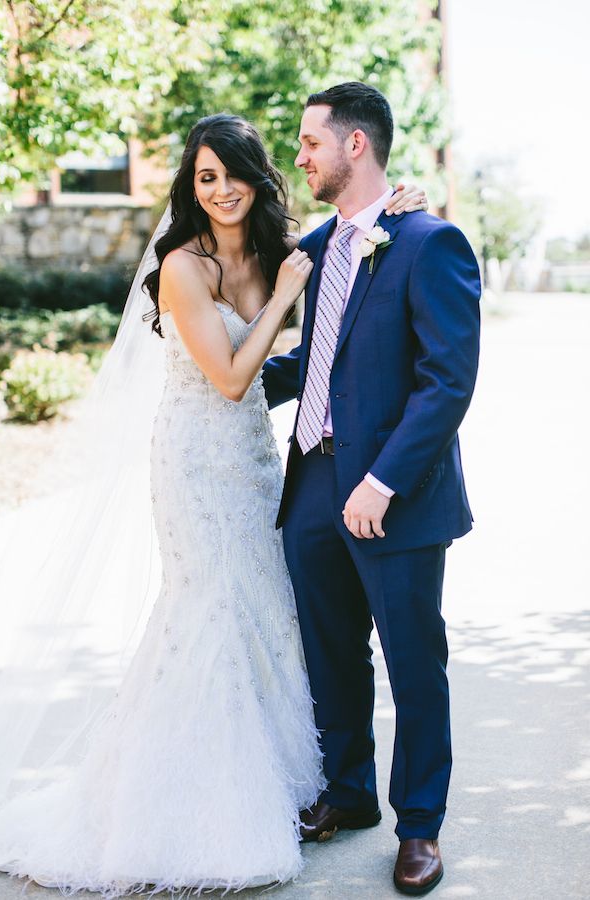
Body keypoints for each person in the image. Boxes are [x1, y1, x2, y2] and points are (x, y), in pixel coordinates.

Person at [0, 113, 427, 895]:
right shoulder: (180, 268)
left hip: (256, 462)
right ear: (191, 190)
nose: (220, 190)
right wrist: (283, 298)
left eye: (232, 173)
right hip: (194, 462)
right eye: (204, 177)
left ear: (258, 179)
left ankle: (283, 785)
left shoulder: (280, 254)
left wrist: (398, 203)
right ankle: (182, 806)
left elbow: (357, 240)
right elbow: (230, 379)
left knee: (266, 609)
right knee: (209, 610)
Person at [263, 82, 481, 896]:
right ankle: (348, 794)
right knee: (331, 656)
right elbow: (317, 362)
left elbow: (446, 382)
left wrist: (383, 482)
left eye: (310, 141)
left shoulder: (431, 242)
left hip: (394, 494)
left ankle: (418, 826)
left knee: (414, 661)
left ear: (355, 145)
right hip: (312, 482)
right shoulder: (320, 247)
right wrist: (216, 383)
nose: (300, 156)